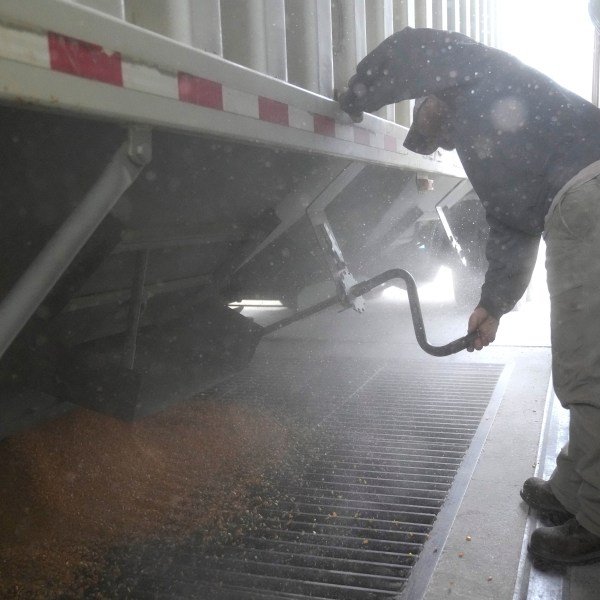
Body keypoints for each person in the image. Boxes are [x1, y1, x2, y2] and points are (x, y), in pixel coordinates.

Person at [339, 26, 600, 567]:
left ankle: (596, 519)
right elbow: (513, 225)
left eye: (434, 129)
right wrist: (495, 306)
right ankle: (575, 490)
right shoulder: (491, 141)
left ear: (433, 97)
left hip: (591, 195)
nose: (447, 145)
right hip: (580, 198)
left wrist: (357, 96)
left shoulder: (478, 73)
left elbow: (409, 45)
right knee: (583, 362)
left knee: (589, 371)